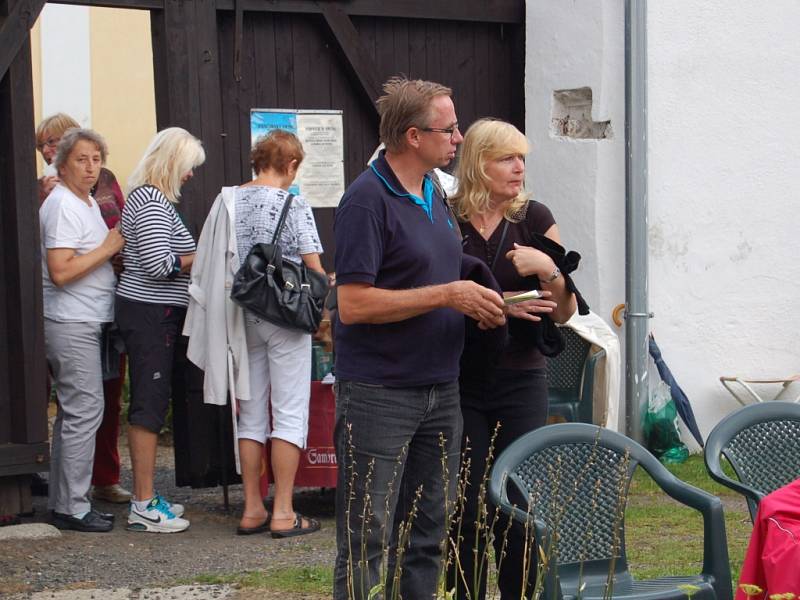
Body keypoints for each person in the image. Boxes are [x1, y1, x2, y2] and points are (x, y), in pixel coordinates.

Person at [332, 76, 506, 600]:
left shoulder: (434, 190)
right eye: (448, 129)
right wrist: (447, 296)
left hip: (440, 389)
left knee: (428, 533)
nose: (458, 138)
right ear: (413, 136)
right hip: (379, 395)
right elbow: (352, 304)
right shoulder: (365, 201)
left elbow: (440, 275)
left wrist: (487, 304)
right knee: (368, 536)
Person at [446, 118, 577, 600]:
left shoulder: (535, 217)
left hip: (521, 376)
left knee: (515, 498)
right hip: (458, 377)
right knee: (463, 499)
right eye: (507, 158)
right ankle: (463, 593)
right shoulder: (446, 216)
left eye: (522, 158)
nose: (519, 168)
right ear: (479, 163)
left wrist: (549, 270)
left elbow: (564, 312)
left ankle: (519, 593)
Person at [184, 130, 324, 537]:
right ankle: (282, 511)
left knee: (250, 414)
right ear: (292, 165)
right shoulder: (294, 204)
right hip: (284, 317)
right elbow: (313, 269)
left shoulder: (225, 200)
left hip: (241, 315)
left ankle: (251, 509)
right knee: (290, 413)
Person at [35, 113, 132, 505]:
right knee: (83, 412)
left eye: (96, 159)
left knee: (80, 413)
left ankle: (67, 501)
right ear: (61, 162)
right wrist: (108, 249)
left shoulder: (86, 201)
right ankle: (73, 506)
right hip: (71, 320)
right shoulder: (61, 206)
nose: (91, 167)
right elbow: (60, 271)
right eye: (81, 159)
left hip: (89, 318)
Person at [116, 127, 204, 533]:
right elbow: (158, 264)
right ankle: (143, 503)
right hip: (150, 312)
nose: (189, 176)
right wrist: (198, 256)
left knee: (153, 400)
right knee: (149, 405)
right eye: (187, 168)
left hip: (155, 313)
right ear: (172, 163)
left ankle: (147, 496)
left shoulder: (153, 200)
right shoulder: (151, 201)